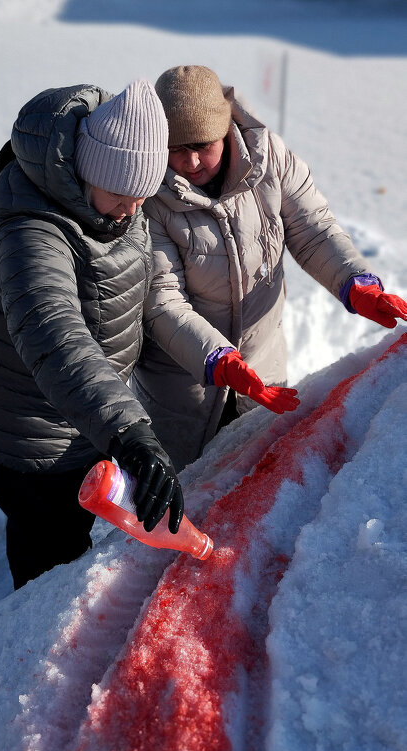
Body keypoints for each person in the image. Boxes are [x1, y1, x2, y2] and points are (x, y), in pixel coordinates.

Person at [0, 79, 185, 590]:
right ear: (87, 173)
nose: (132, 211)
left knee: (62, 533)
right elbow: (55, 333)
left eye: (143, 197)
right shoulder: (29, 228)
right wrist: (130, 432)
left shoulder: (106, 203)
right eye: (123, 195)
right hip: (22, 428)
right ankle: (31, 654)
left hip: (77, 417)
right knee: (49, 552)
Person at [130, 65, 407, 472]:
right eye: (175, 148)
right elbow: (163, 299)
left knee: (256, 471)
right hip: (182, 382)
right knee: (191, 481)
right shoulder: (147, 194)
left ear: (225, 131)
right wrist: (217, 358)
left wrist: (354, 282)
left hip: (262, 362)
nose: (189, 162)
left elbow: (313, 229)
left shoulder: (268, 158)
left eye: (203, 145)